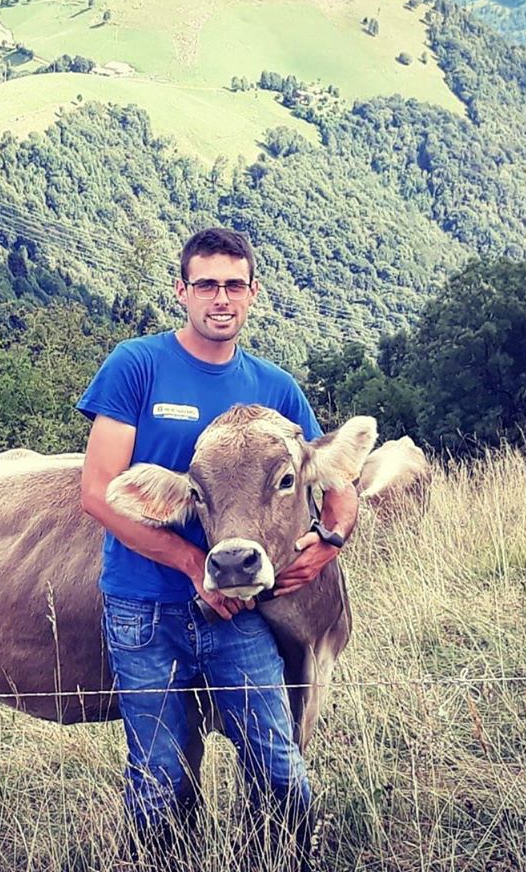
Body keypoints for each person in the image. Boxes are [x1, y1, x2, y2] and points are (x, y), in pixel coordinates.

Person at [77, 228, 358, 856]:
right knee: (161, 779)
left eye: (234, 284)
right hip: (145, 607)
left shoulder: (276, 388)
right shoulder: (137, 365)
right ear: (182, 291)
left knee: (278, 766)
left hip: (238, 609)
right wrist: (187, 561)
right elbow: (98, 493)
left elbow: (336, 479)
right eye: (206, 284)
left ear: (253, 293)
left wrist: (330, 539)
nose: (220, 298)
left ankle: (279, 859)